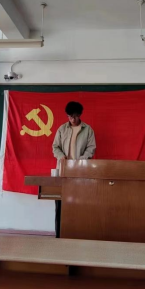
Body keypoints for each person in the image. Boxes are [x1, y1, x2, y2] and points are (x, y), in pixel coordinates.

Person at [51, 101, 96, 237]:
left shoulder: (87, 129)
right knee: (60, 203)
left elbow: (91, 147)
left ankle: (78, 233)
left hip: (80, 170)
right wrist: (61, 156)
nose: (73, 119)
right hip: (63, 170)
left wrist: (82, 159)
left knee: (79, 202)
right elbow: (55, 147)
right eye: (70, 116)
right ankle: (59, 234)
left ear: (80, 115)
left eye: (75, 116)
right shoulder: (62, 129)